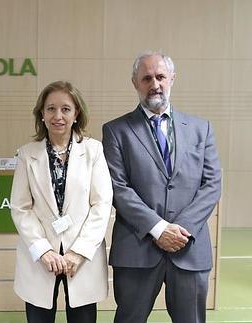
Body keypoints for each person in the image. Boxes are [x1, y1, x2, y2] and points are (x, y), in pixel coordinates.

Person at [102, 52, 222, 323]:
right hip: (137, 248)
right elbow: (118, 187)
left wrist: (179, 230)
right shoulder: (115, 131)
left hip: (189, 247)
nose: (154, 84)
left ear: (172, 79)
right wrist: (158, 229)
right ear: (135, 83)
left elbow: (212, 183)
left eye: (160, 77)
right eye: (146, 78)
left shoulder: (201, 129)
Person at [10, 81, 113, 323]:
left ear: (76, 114)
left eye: (66, 109)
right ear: (42, 114)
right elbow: (20, 207)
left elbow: (102, 204)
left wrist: (78, 253)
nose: (58, 116)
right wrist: (43, 250)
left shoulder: (93, 151)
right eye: (51, 109)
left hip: (81, 257)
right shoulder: (27, 154)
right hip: (40, 257)